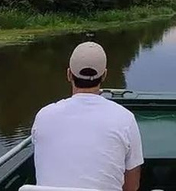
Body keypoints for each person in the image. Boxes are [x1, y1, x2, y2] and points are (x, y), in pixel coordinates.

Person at [32, 41, 144, 191]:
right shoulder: (125, 119)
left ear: (69, 74)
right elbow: (132, 187)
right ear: (104, 75)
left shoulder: (43, 116)